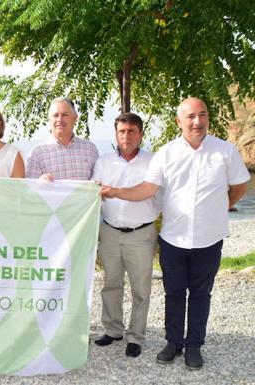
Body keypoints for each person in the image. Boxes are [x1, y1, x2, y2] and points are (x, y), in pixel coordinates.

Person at [100, 97, 250, 369]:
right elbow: (147, 189)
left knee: (201, 294)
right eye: (190, 116)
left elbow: (240, 185)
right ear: (178, 121)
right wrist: (116, 192)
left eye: (202, 115)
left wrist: (222, 206)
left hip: (209, 238)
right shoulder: (166, 153)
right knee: (174, 293)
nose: (197, 121)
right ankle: (173, 343)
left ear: (207, 118)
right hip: (173, 238)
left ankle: (194, 346)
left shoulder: (225, 151)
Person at [92, 112, 159, 358]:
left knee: (140, 288)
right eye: (122, 131)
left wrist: (117, 192)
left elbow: (149, 192)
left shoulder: (153, 162)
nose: (126, 136)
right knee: (111, 284)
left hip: (141, 233)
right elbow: (92, 191)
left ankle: (136, 336)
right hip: (109, 231)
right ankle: (113, 330)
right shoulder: (104, 161)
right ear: (116, 134)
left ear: (140, 134)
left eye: (132, 131)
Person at [26, 97, 98, 181]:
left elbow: (97, 186)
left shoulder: (90, 149)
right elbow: (30, 189)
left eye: (65, 115)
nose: (59, 119)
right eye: (55, 115)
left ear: (75, 118)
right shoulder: (37, 154)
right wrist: (40, 182)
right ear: (49, 120)